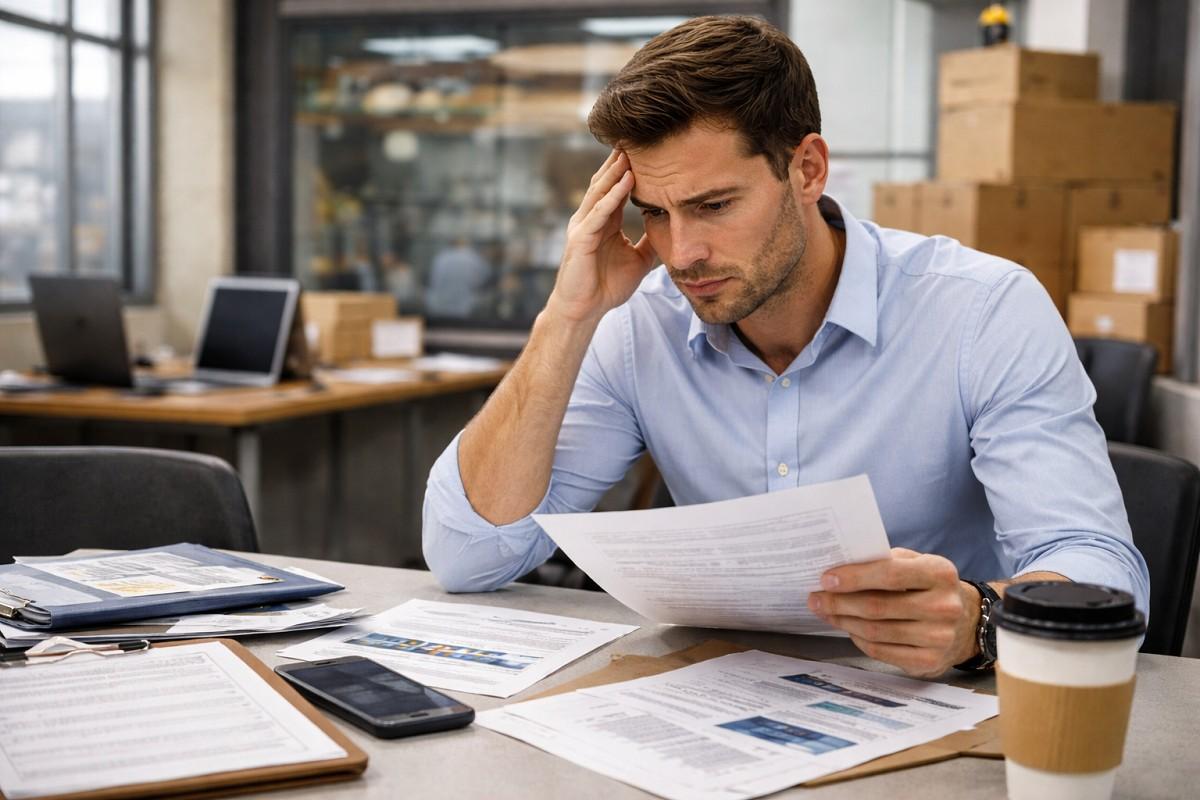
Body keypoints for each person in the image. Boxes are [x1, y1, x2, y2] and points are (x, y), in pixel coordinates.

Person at [422, 16, 1149, 677]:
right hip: (717, 708)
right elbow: (467, 555)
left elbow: (1101, 576)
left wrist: (978, 621)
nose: (683, 253)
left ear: (807, 169)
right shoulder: (637, 322)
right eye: (655, 214)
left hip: (939, 708)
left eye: (713, 206)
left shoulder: (981, 310)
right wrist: (567, 316)